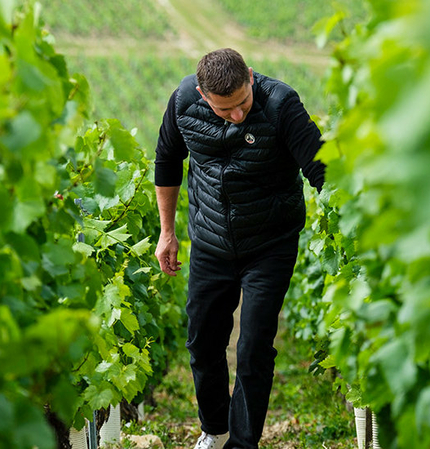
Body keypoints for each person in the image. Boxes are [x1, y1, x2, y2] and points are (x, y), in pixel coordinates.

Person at [153, 48, 325, 449]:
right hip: (211, 242)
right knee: (203, 340)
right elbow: (166, 160)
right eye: (224, 110)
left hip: (270, 244)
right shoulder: (183, 102)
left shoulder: (282, 104)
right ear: (201, 93)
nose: (237, 116)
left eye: (243, 103)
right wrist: (167, 233)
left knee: (253, 347)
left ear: (250, 76)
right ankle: (214, 429)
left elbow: (321, 169)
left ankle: (243, 444)